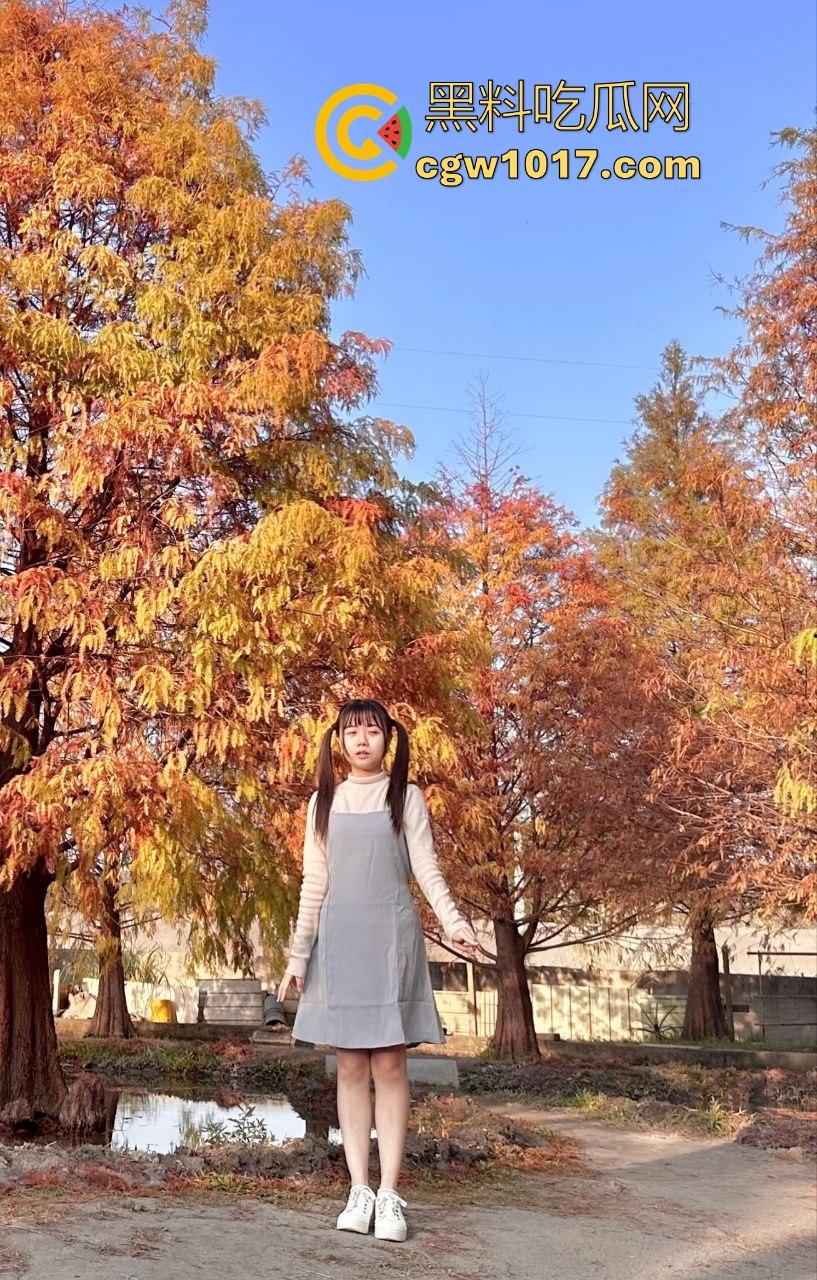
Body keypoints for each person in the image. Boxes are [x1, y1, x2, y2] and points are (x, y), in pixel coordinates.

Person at [277, 698, 481, 1243]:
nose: (362, 740)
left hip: (392, 941)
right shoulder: (323, 802)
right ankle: (359, 1190)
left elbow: (426, 868)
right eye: (352, 732)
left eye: (371, 730)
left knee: (390, 1064)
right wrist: (298, 957)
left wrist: (455, 922)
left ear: (388, 738)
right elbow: (313, 884)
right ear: (338, 742)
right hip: (340, 944)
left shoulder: (405, 796)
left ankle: (390, 1194)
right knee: (349, 1067)